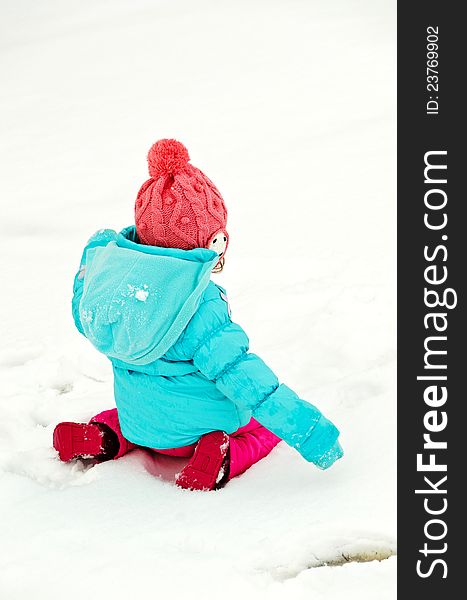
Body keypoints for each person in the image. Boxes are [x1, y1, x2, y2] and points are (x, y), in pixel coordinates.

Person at [53, 139, 343, 491]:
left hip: (140, 422)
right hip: (198, 431)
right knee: (262, 424)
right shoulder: (200, 305)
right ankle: (221, 458)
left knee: (143, 416)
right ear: (210, 243)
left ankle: (104, 436)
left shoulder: (117, 288)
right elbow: (250, 382)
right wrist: (314, 434)